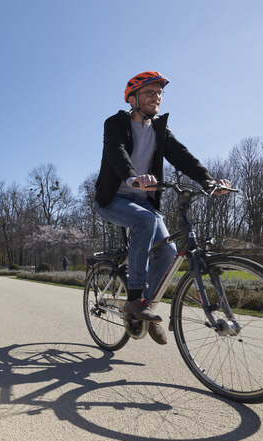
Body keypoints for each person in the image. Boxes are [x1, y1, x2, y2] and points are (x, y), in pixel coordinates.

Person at [94, 71, 231, 345]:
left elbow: (183, 157)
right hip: (114, 199)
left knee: (168, 251)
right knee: (145, 221)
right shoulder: (115, 123)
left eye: (159, 93)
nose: (155, 97)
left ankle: (146, 312)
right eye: (149, 92)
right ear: (132, 98)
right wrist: (132, 177)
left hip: (144, 201)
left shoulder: (160, 130)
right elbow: (116, 151)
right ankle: (135, 299)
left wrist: (208, 181)